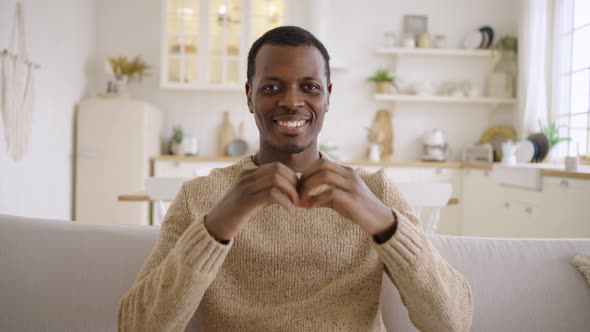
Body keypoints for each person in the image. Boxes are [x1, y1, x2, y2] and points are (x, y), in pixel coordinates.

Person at [117, 26, 473, 332]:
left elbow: (451, 322)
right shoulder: (201, 197)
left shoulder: (375, 191)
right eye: (272, 88)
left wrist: (384, 223)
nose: (292, 101)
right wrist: (216, 227)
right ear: (248, 96)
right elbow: (137, 325)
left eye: (310, 87)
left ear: (328, 96)